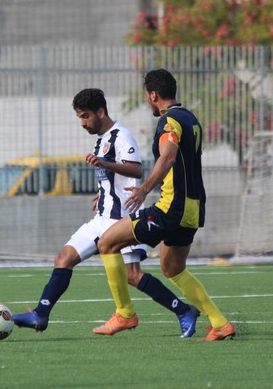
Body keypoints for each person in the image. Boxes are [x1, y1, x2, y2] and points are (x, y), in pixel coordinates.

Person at [12, 88, 200, 338]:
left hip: (122, 218)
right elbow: (114, 175)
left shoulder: (121, 136)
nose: (82, 123)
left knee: (133, 275)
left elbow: (135, 170)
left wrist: (104, 165)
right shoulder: (101, 138)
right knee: (64, 258)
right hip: (101, 218)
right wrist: (103, 190)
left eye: (86, 116)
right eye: (79, 117)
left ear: (101, 112)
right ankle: (41, 314)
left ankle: (183, 310)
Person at [92, 69, 236, 341]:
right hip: (193, 209)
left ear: (153, 95)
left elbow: (168, 158)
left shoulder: (169, 122)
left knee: (107, 243)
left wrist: (144, 189)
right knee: (173, 269)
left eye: (147, 96)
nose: (147, 101)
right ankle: (219, 323)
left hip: (171, 208)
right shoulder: (191, 118)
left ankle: (124, 313)